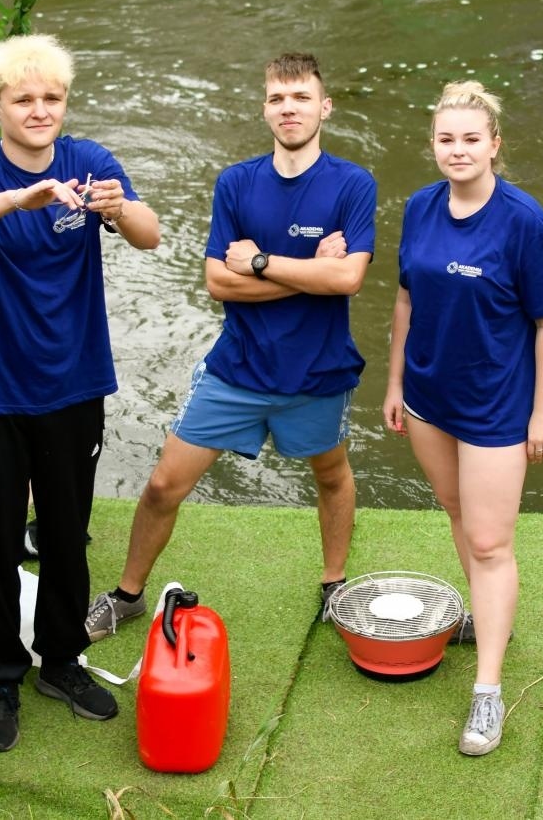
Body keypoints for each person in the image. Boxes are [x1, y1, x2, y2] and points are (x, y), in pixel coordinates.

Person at [0, 34, 162, 753]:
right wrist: (16, 197)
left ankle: (61, 659)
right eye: (23, 98)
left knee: (66, 530)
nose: (39, 109)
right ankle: (0, 676)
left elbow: (150, 235)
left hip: (73, 385)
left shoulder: (91, 163)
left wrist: (117, 209)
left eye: (51, 98)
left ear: (65, 103)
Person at [85, 52, 375, 644]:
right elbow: (218, 283)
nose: (288, 109)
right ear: (265, 107)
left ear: (324, 106)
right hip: (236, 370)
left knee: (330, 474)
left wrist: (264, 263)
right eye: (277, 98)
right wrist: (308, 270)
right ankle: (127, 596)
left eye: (300, 98)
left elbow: (347, 281)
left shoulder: (352, 184)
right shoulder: (238, 182)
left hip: (318, 372)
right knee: (165, 484)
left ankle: (334, 584)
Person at [382, 80, 543, 757]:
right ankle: (488, 618)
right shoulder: (419, 208)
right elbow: (406, 299)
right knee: (456, 508)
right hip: (431, 397)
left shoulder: (524, 220)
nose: (457, 150)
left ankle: (487, 692)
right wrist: (397, 380)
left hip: (497, 408)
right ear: (432, 144)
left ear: (494, 144)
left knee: (491, 541)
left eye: (470, 138)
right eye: (445, 138)